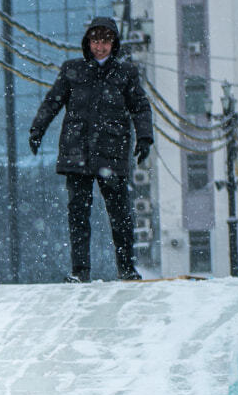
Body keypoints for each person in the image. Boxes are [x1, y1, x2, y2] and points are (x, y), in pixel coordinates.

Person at [28, 16, 154, 283]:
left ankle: (127, 268)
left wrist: (145, 137)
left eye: (106, 41)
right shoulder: (72, 70)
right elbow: (53, 101)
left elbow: (140, 106)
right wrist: (37, 129)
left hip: (113, 150)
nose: (100, 46)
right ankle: (80, 271)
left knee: (120, 214)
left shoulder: (125, 73)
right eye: (96, 40)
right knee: (78, 215)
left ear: (114, 44)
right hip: (78, 152)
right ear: (88, 43)